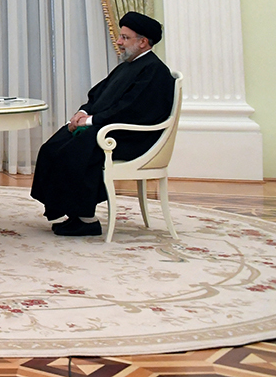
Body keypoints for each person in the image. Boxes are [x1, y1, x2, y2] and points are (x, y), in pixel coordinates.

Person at [30, 12, 176, 237]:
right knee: (54, 146)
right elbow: (99, 93)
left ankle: (86, 219)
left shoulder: (154, 70)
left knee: (79, 149)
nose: (118, 42)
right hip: (110, 128)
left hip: (132, 137)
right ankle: (69, 212)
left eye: (125, 38)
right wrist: (83, 112)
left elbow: (132, 109)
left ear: (143, 42)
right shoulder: (129, 65)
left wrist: (89, 121)